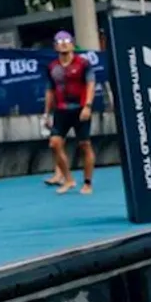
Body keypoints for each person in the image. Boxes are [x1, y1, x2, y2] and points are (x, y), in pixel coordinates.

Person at [42, 31, 96, 194]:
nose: (63, 43)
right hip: (61, 111)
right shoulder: (52, 67)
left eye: (66, 41)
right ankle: (68, 179)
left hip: (80, 110)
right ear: (55, 46)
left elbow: (90, 85)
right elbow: (50, 90)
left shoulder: (83, 64)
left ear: (72, 44)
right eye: (59, 41)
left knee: (84, 145)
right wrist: (46, 113)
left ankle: (87, 183)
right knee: (55, 143)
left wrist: (87, 106)